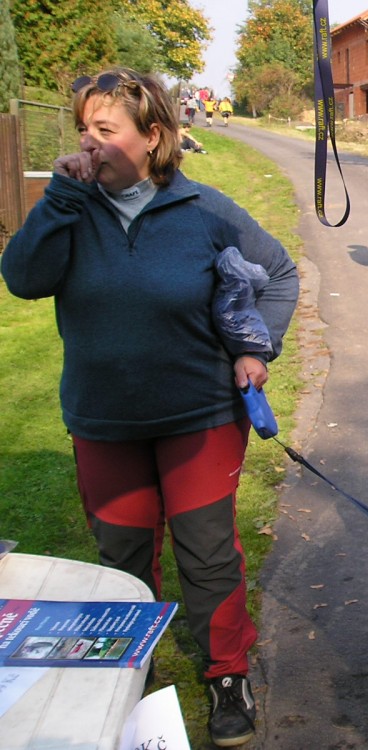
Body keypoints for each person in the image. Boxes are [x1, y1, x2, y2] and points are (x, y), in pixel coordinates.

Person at [1, 68, 299, 748]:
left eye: (106, 130)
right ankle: (130, 674)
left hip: (201, 417)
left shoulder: (204, 209)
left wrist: (257, 348)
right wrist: (59, 198)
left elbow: (279, 272)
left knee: (207, 553)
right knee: (120, 559)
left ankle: (226, 674)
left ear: (153, 135)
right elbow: (22, 279)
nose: (89, 141)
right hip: (105, 420)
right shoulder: (70, 208)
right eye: (84, 128)